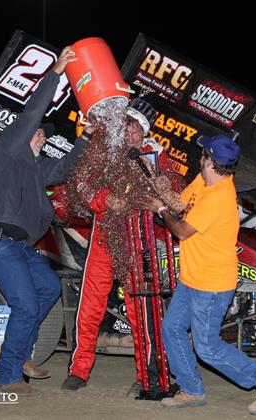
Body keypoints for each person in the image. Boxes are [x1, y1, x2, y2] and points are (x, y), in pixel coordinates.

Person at [0, 46, 94, 398]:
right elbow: (31, 113)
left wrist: (84, 139)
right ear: (23, 133)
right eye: (39, 132)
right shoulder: (9, 147)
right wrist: (55, 73)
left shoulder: (32, 166)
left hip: (17, 246)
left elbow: (63, 169)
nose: (44, 136)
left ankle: (21, 353)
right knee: (25, 305)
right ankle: (9, 374)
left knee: (48, 288)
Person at [145, 134, 256, 415]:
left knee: (207, 347)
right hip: (194, 279)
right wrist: (156, 181)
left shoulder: (220, 198)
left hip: (211, 285)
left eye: (203, 154)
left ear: (210, 161)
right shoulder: (205, 182)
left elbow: (181, 231)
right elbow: (180, 203)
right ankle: (191, 389)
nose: (200, 157)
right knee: (171, 329)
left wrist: (160, 209)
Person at [61, 97, 176, 394]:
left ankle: (147, 374)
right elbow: (82, 185)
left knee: (142, 307)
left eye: (133, 125)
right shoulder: (104, 150)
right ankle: (79, 370)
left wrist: (159, 193)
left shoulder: (154, 156)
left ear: (143, 131)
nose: (127, 130)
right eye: (124, 124)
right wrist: (103, 199)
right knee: (90, 306)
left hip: (139, 241)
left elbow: (173, 197)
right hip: (103, 239)